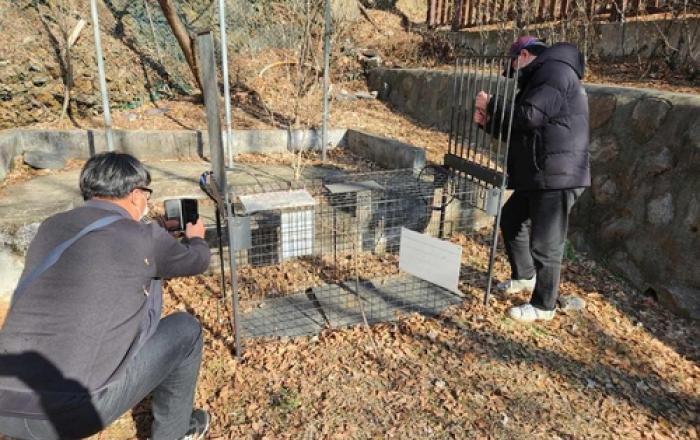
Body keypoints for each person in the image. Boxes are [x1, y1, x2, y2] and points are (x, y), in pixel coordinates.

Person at [0, 152, 212, 439]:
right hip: (68, 414)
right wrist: (196, 238)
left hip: (5, 403)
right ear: (136, 195)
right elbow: (197, 261)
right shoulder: (145, 237)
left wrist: (158, 231)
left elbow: (106, 241)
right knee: (186, 330)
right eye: (146, 194)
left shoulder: (51, 226)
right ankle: (175, 433)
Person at [473, 36, 590, 322]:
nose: (514, 74)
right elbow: (521, 128)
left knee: (546, 243)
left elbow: (529, 117)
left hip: (558, 174)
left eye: (513, 66)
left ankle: (544, 306)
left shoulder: (555, 71)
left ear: (524, 55)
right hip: (541, 171)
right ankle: (525, 276)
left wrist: (493, 103)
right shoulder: (541, 77)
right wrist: (489, 123)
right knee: (512, 218)